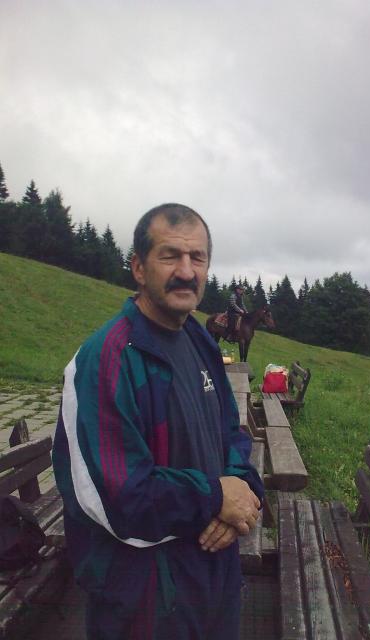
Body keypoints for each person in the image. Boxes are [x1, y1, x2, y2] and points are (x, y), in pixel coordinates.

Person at [52, 203, 263, 640]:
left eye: (197, 258)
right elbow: (117, 497)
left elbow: (230, 433)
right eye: (170, 256)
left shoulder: (200, 340)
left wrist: (242, 491)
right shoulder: (107, 359)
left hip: (214, 579)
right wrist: (214, 496)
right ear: (139, 268)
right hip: (145, 598)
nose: (186, 271)